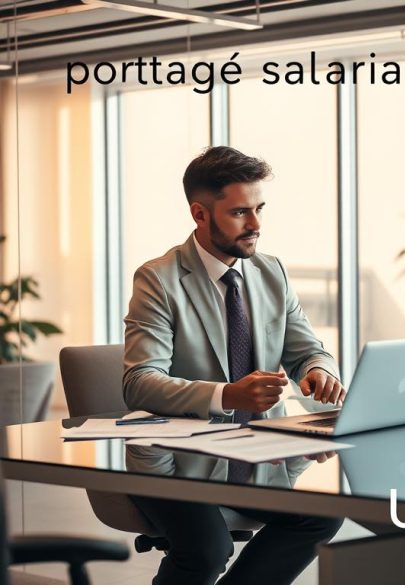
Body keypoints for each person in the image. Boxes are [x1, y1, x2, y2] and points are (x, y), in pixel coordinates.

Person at [123, 146, 344, 585]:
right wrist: (226, 395)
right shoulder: (158, 279)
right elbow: (139, 383)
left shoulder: (270, 272)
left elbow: (308, 350)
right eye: (241, 211)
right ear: (200, 214)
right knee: (207, 551)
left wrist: (319, 371)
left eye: (260, 208)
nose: (257, 224)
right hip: (178, 463)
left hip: (258, 458)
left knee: (322, 518)